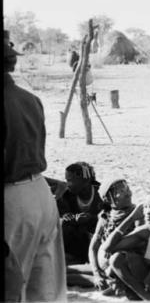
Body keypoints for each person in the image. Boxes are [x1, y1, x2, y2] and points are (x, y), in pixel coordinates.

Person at [4, 30, 67, 301]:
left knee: (10, 286)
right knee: (43, 289)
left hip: (11, 203)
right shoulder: (30, 99)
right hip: (40, 194)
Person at [65, 178, 138, 291]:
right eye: (122, 191)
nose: (128, 193)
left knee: (65, 278)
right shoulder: (105, 216)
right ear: (109, 198)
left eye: (127, 189)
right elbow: (93, 247)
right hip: (100, 266)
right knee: (62, 271)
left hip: (116, 268)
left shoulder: (136, 214)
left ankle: (108, 282)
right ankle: (100, 279)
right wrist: (96, 272)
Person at [106, 188, 150, 300]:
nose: (147, 211)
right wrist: (131, 217)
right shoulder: (148, 230)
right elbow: (109, 248)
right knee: (116, 259)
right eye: (145, 207)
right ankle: (146, 297)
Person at [57, 161, 106, 264]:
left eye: (70, 180)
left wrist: (92, 218)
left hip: (96, 235)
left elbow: (111, 215)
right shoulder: (66, 196)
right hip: (77, 237)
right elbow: (60, 213)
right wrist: (66, 216)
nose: (67, 184)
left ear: (86, 181)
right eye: (66, 180)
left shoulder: (102, 194)